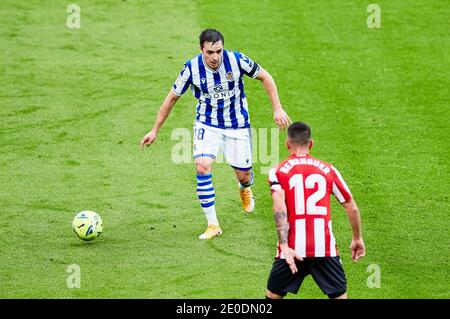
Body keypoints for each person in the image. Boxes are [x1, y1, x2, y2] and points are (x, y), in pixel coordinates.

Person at [140, 29, 291, 240]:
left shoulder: (237, 60)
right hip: (207, 124)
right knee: (202, 167)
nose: (215, 57)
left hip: (237, 125)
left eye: (218, 51)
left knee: (244, 175)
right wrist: (155, 130)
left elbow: (265, 76)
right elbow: (171, 98)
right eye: (210, 52)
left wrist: (277, 108)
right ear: (202, 49)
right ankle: (213, 224)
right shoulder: (191, 68)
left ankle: (244, 187)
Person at [266, 122, 365, 299]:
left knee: (272, 296)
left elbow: (279, 207)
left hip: (292, 249)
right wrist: (357, 238)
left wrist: (285, 246)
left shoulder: (278, 171)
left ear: (287, 144)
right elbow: (352, 207)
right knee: (340, 297)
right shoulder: (328, 170)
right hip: (324, 249)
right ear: (310, 143)